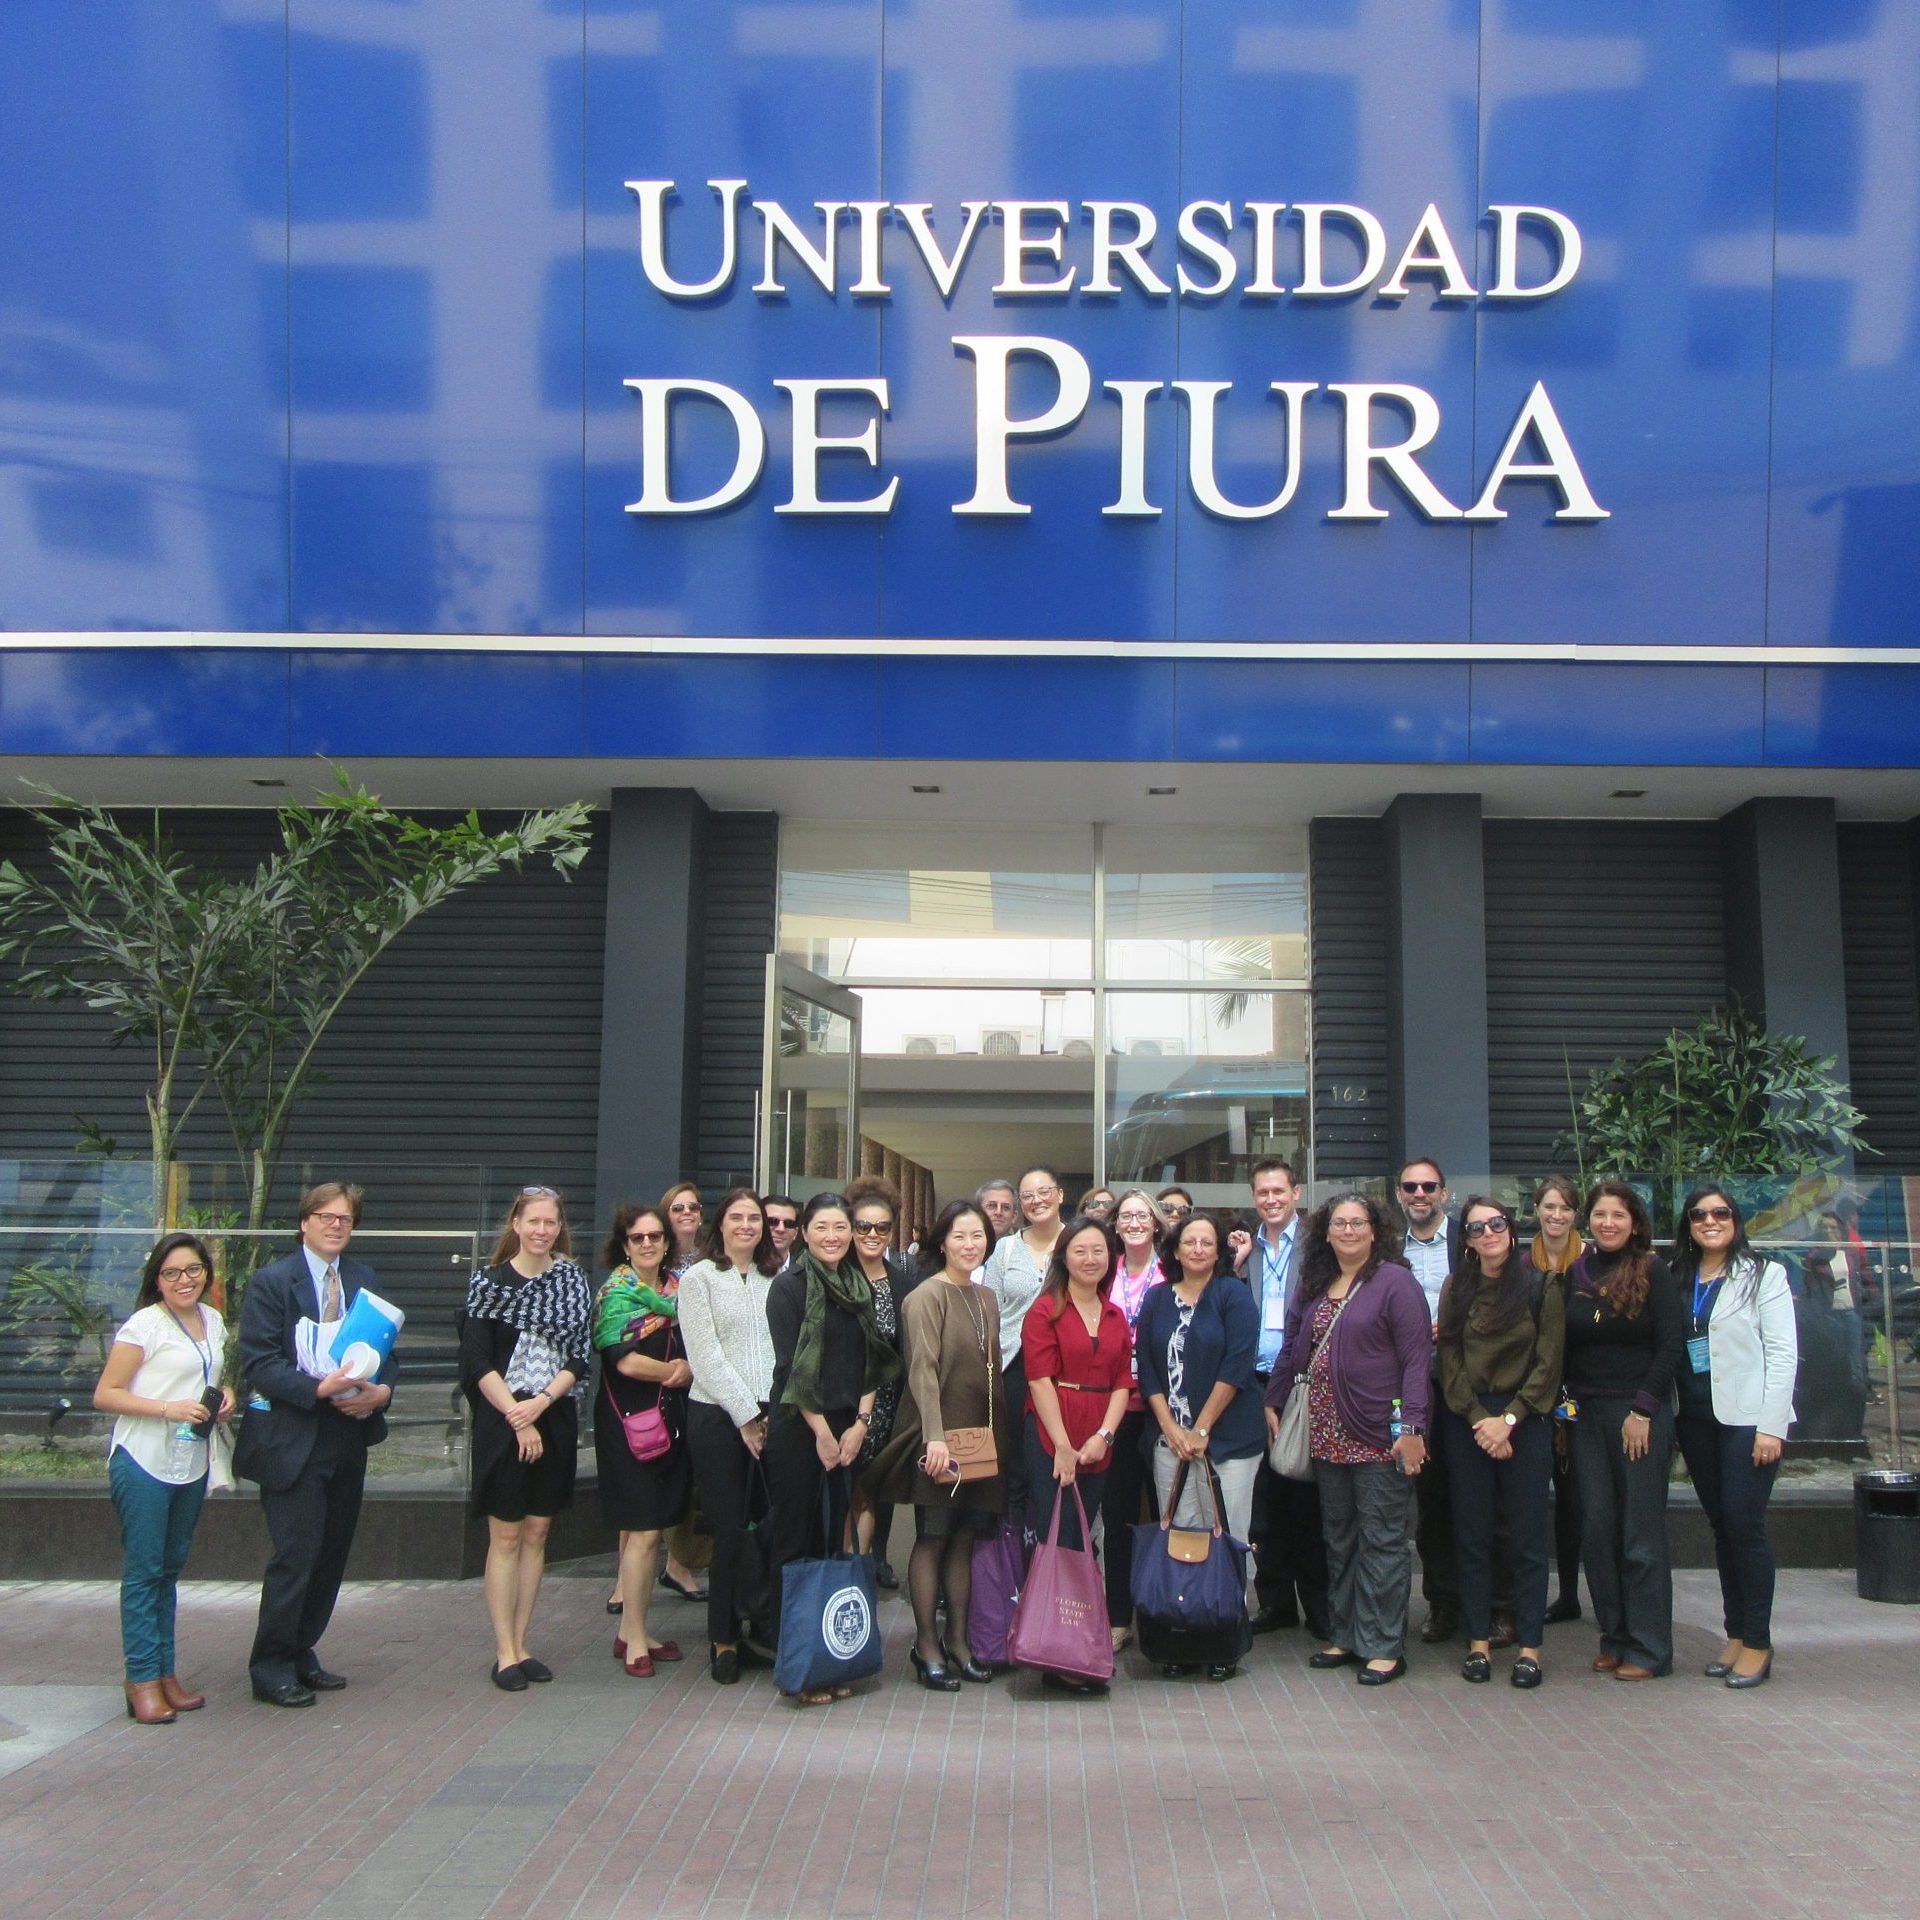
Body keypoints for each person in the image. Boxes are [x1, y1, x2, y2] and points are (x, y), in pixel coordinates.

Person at [234, 1182, 396, 1709]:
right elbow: (259, 1362)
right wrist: (318, 1388)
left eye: (345, 1219)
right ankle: (270, 1665)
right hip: (292, 1437)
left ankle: (302, 1650)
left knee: (331, 1553)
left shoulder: (364, 1278)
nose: (335, 1226)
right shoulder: (272, 1282)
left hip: (348, 1434)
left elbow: (387, 1351)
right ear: (304, 1222)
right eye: (326, 1216)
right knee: (296, 1554)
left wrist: (382, 1392)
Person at [1267, 1192, 1430, 1687]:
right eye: (1339, 1223)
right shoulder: (1316, 1282)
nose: (1349, 1231)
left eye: (1358, 1223)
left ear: (1375, 1230)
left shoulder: (1395, 1282)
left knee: (1382, 1539)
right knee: (1338, 1538)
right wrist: (1274, 1398)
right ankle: (1346, 1634)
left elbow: (1416, 1360)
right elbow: (1293, 1344)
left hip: (1379, 1433)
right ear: (1326, 1231)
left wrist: (1413, 1427)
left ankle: (1383, 1645)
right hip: (1325, 1433)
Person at [763, 1192, 901, 1704]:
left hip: (847, 1430)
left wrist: (861, 1423)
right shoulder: (789, 1287)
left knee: (832, 1542)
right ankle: (795, 1665)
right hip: (801, 1429)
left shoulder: (857, 1285)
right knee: (795, 1542)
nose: (833, 1236)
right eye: (821, 1227)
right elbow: (790, 1369)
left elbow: (875, 1362)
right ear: (804, 1233)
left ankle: (827, 1656)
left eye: (840, 1227)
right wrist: (821, 1432)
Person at [92, 1232, 233, 1723]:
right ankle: (142, 1679)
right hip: (144, 1459)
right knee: (144, 1571)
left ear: (206, 1273)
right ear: (157, 1279)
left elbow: (210, 1374)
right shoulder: (144, 1326)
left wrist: (226, 1395)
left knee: (169, 1571)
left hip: (190, 1461)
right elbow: (106, 1393)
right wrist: (168, 1408)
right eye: (171, 1273)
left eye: (193, 1270)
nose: (184, 1280)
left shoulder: (213, 1320)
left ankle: (165, 1674)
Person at [867, 1200, 1006, 1692]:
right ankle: (926, 1645)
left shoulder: (986, 1296)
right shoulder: (926, 1296)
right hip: (939, 1436)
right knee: (933, 1536)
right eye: (959, 1236)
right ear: (942, 1242)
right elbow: (922, 1370)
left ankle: (960, 1642)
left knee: (965, 1538)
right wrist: (935, 1437)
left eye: (978, 1236)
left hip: (980, 1438)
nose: (970, 1245)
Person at [460, 1187, 593, 1691]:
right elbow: (477, 1361)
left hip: (552, 1415)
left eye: (550, 1223)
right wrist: (519, 1416)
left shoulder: (572, 1282)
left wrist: (541, 1403)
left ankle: (523, 1643)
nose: (542, 1231)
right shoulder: (488, 1284)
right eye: (533, 1221)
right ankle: (503, 1652)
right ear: (516, 1224)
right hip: (502, 1420)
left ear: (560, 1228)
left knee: (538, 1533)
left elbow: (579, 1356)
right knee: (507, 1535)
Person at [1670, 1185, 1798, 1689]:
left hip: (1748, 1421)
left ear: (1736, 1220)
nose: (1710, 1221)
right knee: (1722, 1527)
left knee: (1745, 1525)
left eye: (1720, 1213)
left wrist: (1772, 1426)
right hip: (1695, 1419)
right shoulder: (1677, 1276)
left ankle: (1759, 1642)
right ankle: (1736, 1634)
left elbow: (1782, 1354)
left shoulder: (1764, 1274)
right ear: (1688, 1225)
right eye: (1699, 1214)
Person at [1436, 1197, 1566, 1689]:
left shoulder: (1540, 1286)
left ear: (1511, 1230)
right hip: (1469, 1422)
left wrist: (1508, 1420)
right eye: (1476, 1228)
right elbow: (1449, 1361)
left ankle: (1530, 1647)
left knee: (1528, 1538)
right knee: (1472, 1536)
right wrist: (1481, 1421)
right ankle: (1478, 1644)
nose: (1487, 1233)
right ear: (1466, 1240)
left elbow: (1549, 1363)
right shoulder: (1457, 1287)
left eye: (1495, 1224)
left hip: (1524, 1420)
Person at [1136, 1210, 1263, 1680]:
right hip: (1169, 1440)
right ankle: (1182, 1638)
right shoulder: (1156, 1298)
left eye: (1207, 1242)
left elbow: (1237, 1364)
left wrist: (1202, 1429)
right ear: (1174, 1248)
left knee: (1225, 1536)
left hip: (1228, 1441)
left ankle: (1224, 1639)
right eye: (1189, 1241)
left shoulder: (1233, 1295)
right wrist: (1170, 1428)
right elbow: (1147, 1367)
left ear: (1219, 1250)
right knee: (1180, 1537)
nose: (1198, 1249)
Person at [1566, 1180, 1684, 1681]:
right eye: (1600, 1214)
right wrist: (1565, 1409)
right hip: (1586, 1416)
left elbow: (1671, 1345)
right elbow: (1566, 1346)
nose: (1608, 1223)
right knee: (1597, 1529)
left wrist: (1644, 1409)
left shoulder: (1654, 1271)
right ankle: (1614, 1636)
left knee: (1640, 1533)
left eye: (1618, 1215)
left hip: (1638, 1415)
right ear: (1588, 1220)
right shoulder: (1576, 1272)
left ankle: (1650, 1647)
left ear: (1634, 1223)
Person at [1022, 1216, 1131, 1692]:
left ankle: (1077, 1643)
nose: (1090, 1259)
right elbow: (1039, 1380)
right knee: (1059, 1537)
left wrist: (1105, 1435)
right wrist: (1063, 1445)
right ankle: (1054, 1652)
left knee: (1086, 1539)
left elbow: (1123, 1382)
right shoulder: (1045, 1310)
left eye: (1099, 1251)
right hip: (1053, 1436)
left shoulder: (1115, 1315)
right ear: (1063, 1256)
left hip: (1097, 1439)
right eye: (1080, 1250)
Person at [679, 1189, 781, 1685]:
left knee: (767, 1528)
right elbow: (705, 1356)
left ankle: (761, 1627)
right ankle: (723, 1638)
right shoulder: (699, 1278)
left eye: (754, 1218)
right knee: (728, 1530)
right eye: (736, 1217)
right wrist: (745, 1416)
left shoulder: (777, 1277)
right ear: (719, 1224)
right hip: (718, 1418)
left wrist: (769, 1412)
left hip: (772, 1417)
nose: (746, 1225)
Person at [593, 1204, 694, 1680]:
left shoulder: (679, 1291)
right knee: (644, 1531)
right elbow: (625, 1361)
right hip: (627, 1422)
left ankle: (633, 1629)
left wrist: (687, 1367)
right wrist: (675, 1372)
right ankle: (634, 1638)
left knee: (650, 1533)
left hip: (668, 1423)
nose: (648, 1244)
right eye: (638, 1238)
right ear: (624, 1245)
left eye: (656, 1236)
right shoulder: (615, 1295)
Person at [1229, 1157, 1327, 1642]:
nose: (1271, 1200)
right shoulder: (1244, 1248)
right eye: (1263, 1193)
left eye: (1279, 1191)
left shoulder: (1317, 1245)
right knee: (1263, 1499)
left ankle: (1318, 1605)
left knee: (1305, 1495)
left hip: (1301, 1382)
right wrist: (1235, 1266)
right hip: (1253, 1382)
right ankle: (1275, 1601)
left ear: (1296, 1193)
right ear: (1254, 1198)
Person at [1396, 1156, 1463, 1645]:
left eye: (1428, 1186)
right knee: (1431, 1501)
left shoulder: (1468, 1239)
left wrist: (1451, 1326)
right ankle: (1442, 1603)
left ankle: (1488, 1604)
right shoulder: (1387, 1248)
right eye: (1410, 1187)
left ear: (1444, 1193)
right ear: (1399, 1194)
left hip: (1463, 1384)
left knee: (1474, 1497)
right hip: (1409, 1389)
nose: (1419, 1194)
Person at [845, 1173, 921, 1587]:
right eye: (863, 1226)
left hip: (890, 1402)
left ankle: (874, 1560)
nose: (873, 1234)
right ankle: (845, 1567)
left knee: (879, 1486)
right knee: (849, 1491)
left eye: (882, 1227)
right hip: (845, 1400)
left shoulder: (904, 1283)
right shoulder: (835, 1277)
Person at [981, 1165, 1068, 1521]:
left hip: (1064, 1368)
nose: (1037, 1201)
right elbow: (990, 1312)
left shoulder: (1077, 1242)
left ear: (1060, 1195)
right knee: (1014, 1464)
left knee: (1057, 1457)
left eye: (1044, 1192)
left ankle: (1055, 1543)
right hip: (1013, 1366)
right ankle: (1015, 1544)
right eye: (1028, 1196)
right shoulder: (1004, 1249)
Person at [1103, 1188, 1167, 1651]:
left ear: (1157, 1223)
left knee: (1167, 1513)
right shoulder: (1106, 1271)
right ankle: (1118, 1616)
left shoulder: (1172, 1271)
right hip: (1117, 1410)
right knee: (1119, 1516)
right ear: (1115, 1225)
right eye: (1126, 1216)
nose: (1135, 1223)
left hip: (1164, 1410)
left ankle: (1165, 1610)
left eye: (1143, 1215)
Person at [650, 1180, 708, 1604]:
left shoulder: (711, 1258)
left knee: (691, 1475)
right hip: (661, 1374)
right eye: (678, 1207)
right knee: (654, 1474)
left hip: (701, 1377)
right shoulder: (653, 1257)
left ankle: (678, 1563)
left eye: (694, 1207)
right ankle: (625, 1579)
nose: (687, 1213)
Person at [1531, 1175, 1586, 1624]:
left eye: (1565, 1208)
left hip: (1580, 1392)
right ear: (1536, 1210)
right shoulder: (1520, 1261)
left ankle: (1570, 1593)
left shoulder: (1590, 1263)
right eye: (1549, 1206)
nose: (1556, 1215)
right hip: (1532, 1393)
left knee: (1574, 1498)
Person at [763, 1194, 801, 1274]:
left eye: (789, 1223)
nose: (781, 1229)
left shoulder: (805, 1275)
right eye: (772, 1221)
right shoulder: (741, 1269)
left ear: (796, 1233)